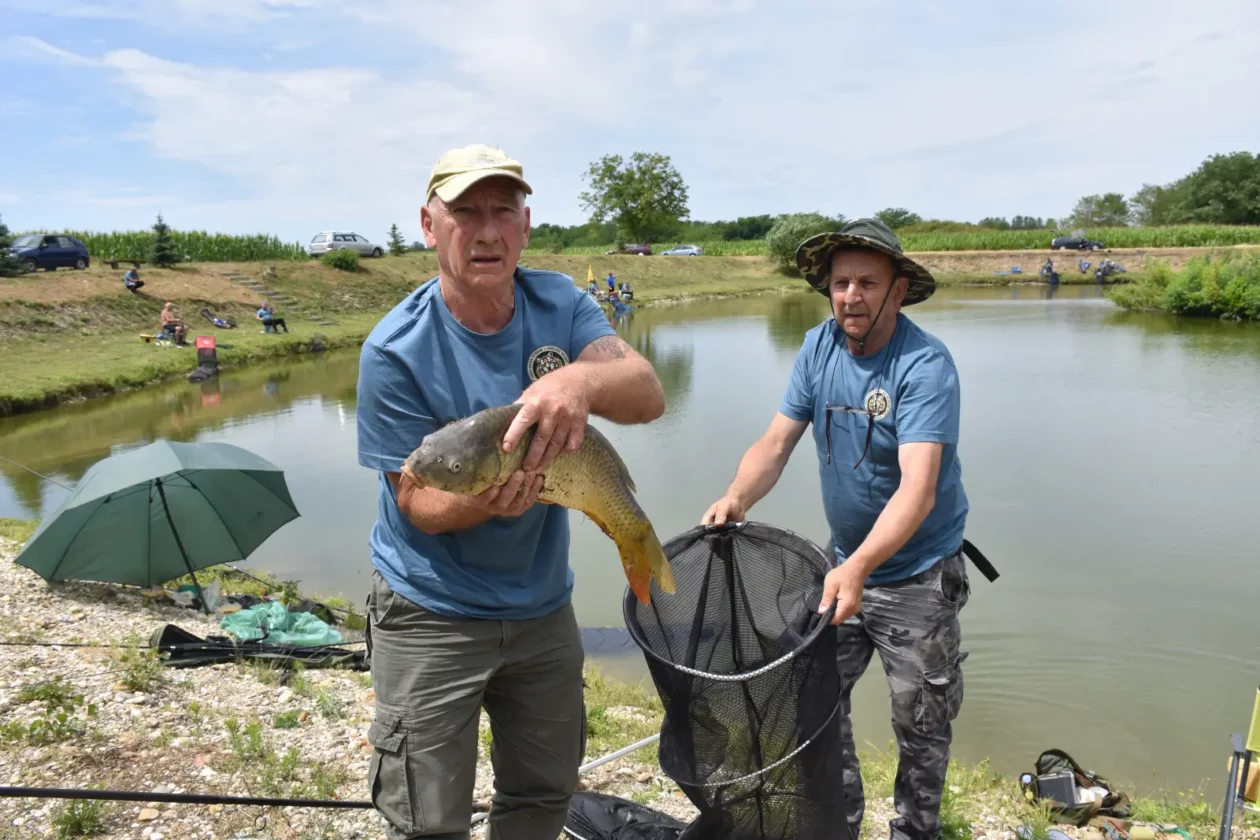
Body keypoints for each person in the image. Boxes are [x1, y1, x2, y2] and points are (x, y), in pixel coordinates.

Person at [355, 143, 665, 840]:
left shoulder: (559, 301)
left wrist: (575, 381)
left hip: (541, 605)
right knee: (428, 819)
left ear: (526, 226)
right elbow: (418, 503)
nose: (487, 230)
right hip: (430, 608)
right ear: (430, 226)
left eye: (503, 210)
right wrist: (487, 499)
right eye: (465, 211)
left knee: (543, 792)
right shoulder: (393, 350)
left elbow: (646, 395)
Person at [701, 218, 973, 840]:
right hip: (843, 562)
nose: (850, 296)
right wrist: (737, 494)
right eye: (841, 282)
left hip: (916, 576)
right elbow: (776, 442)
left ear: (898, 291)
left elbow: (918, 487)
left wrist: (858, 569)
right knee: (816, 701)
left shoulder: (925, 365)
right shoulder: (818, 346)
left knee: (920, 721)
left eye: (867, 283)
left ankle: (915, 831)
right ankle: (837, 821)